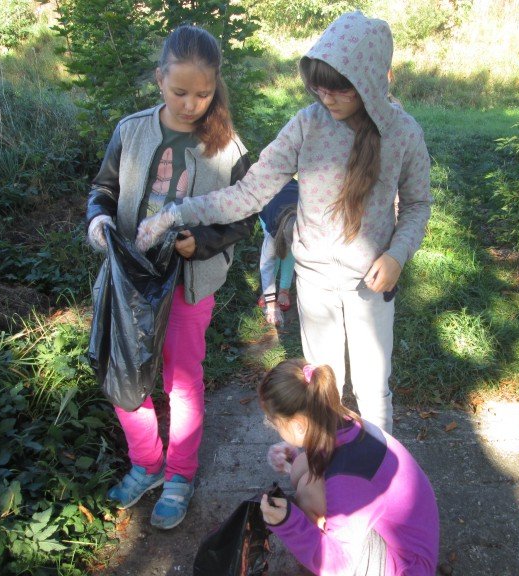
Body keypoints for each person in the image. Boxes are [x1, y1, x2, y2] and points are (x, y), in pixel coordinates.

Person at [134, 11, 432, 433]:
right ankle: (326, 466)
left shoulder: (403, 133)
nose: (327, 98)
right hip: (314, 281)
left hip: (371, 286)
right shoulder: (307, 125)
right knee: (323, 389)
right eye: (319, 87)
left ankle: (383, 467)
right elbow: (248, 193)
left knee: (373, 389)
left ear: (369, 81)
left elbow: (418, 204)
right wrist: (176, 213)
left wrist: (397, 255)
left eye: (340, 89)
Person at [85, 25, 254, 529]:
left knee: (182, 380)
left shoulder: (228, 149)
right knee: (125, 374)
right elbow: (103, 190)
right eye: (180, 92)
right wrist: (98, 220)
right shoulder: (131, 131)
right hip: (130, 283)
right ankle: (147, 463)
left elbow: (244, 217)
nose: (191, 104)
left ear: (216, 86)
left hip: (188, 285)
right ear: (159, 79)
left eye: (203, 94)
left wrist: (199, 242)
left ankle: (180, 473)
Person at [258, 358, 439, 575]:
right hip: (407, 540)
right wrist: (295, 453)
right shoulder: (343, 421)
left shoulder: (347, 475)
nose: (273, 427)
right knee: (302, 466)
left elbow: (339, 566)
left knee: (308, 494)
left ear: (298, 426)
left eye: (274, 423)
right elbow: (324, 464)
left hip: (407, 566)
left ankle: (317, 551)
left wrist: (289, 524)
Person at [257, 178, 298, 326]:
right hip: (268, 197)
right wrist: (271, 305)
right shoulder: (273, 231)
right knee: (274, 254)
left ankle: (284, 290)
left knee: (289, 254)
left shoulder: (310, 221)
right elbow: (266, 265)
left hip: (294, 192)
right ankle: (269, 293)